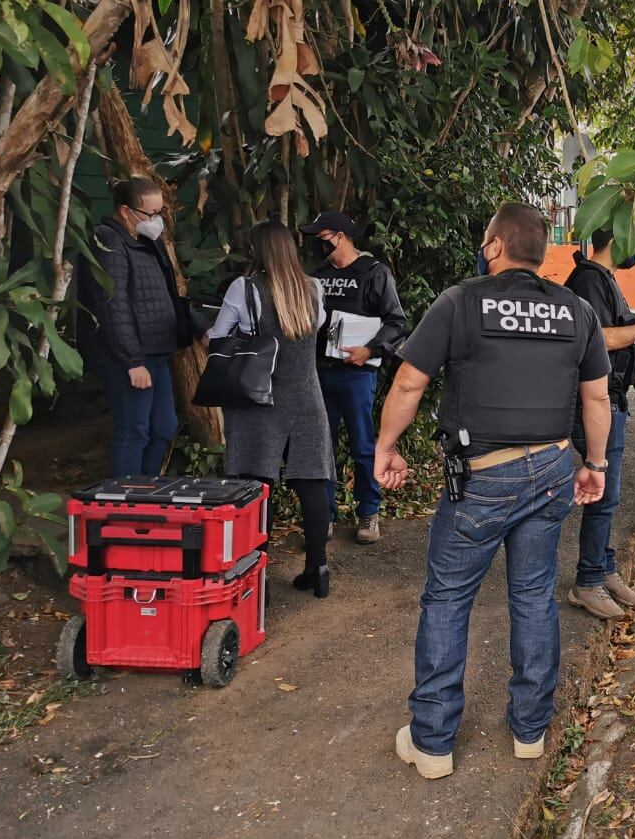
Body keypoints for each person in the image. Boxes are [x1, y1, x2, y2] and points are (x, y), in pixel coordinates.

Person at [373, 202, 611, 781]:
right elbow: (597, 397)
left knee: (449, 599)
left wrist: (385, 448)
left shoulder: (461, 300)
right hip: (553, 466)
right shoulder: (576, 311)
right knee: (532, 596)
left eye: (486, 240)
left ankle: (432, 742)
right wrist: (596, 463)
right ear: (542, 252)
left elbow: (410, 380)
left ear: (497, 245)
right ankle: (529, 730)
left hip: (482, 476)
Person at [210, 221, 335, 597]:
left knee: (255, 484)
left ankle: (256, 573)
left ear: (256, 251)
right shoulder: (314, 288)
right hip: (306, 396)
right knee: (311, 481)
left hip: (257, 398)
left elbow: (219, 337)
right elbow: (317, 327)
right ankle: (318, 566)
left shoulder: (244, 289)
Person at [562, 229, 635, 619]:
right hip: (593, 403)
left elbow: (621, 328)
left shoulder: (603, 279)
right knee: (604, 493)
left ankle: (604, 569)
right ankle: (586, 582)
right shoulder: (588, 279)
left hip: (611, 398)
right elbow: (599, 339)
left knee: (609, 495)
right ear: (619, 239)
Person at [76, 176, 200, 477]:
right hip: (128, 358)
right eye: (151, 214)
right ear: (125, 211)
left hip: (155, 352)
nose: (157, 220)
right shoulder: (109, 241)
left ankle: (144, 488)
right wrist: (132, 360)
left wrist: (198, 326)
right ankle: (126, 499)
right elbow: (112, 305)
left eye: (161, 212)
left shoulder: (148, 241)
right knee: (134, 430)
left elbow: (170, 293)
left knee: (164, 427)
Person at [302, 211, 407, 545]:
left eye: (322, 238)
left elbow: (397, 322)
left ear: (341, 237)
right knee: (322, 447)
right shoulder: (316, 277)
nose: (317, 245)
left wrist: (371, 349)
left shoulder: (374, 273)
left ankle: (368, 510)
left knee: (363, 446)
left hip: (356, 374)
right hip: (320, 372)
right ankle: (324, 515)